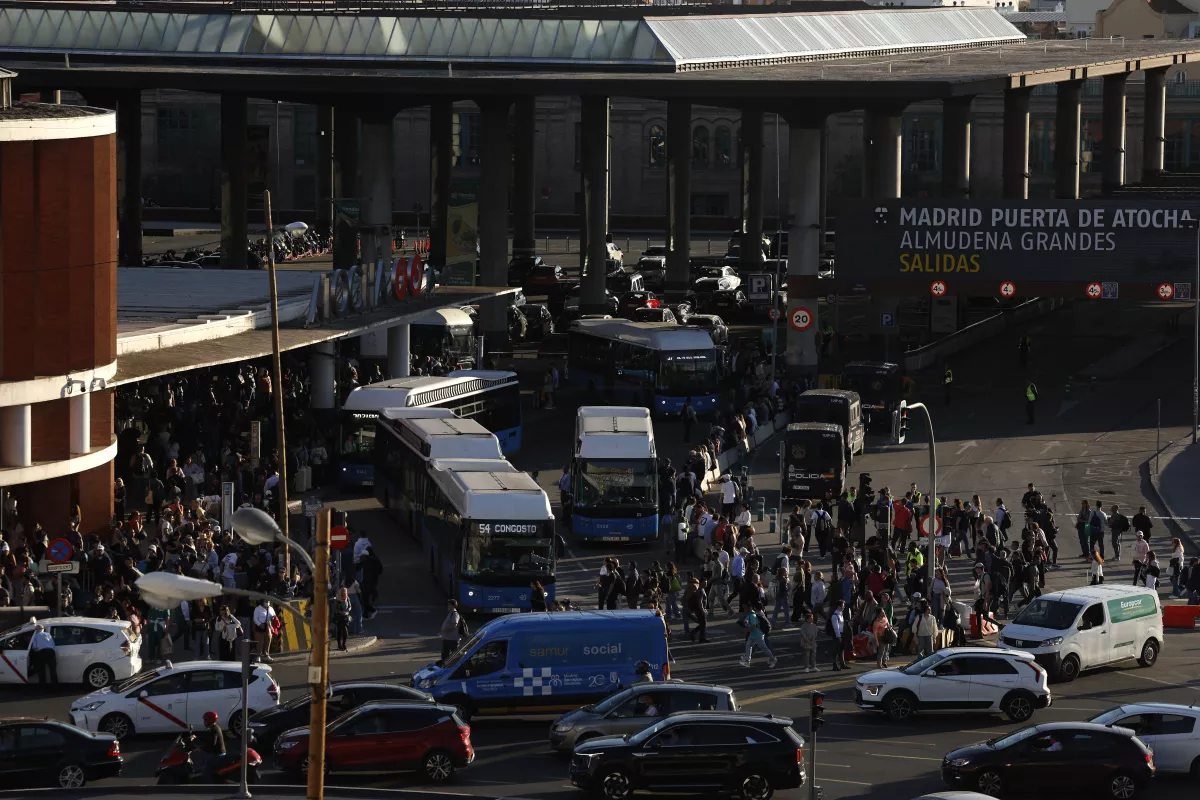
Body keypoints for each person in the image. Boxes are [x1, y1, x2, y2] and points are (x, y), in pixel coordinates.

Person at [739, 604, 777, 668]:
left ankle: (772, 658)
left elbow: (754, 626)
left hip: (758, 635)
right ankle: (747, 661)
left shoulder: (752, 615)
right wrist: (746, 624)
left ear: (749, 608)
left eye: (745, 607)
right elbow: (749, 623)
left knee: (763, 648)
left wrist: (745, 630)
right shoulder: (751, 614)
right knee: (749, 645)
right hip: (753, 634)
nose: (743, 609)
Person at [193, 710, 227, 781]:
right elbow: (208, 738)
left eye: (205, 720)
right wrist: (197, 738)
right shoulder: (214, 727)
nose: (204, 722)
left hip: (217, 754)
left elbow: (212, 744)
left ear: (209, 720)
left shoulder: (214, 730)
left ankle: (209, 785)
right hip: (217, 752)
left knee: (206, 771)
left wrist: (200, 749)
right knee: (204, 761)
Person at [252, 598, 276, 662]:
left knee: (268, 641)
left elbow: (274, 616)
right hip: (260, 627)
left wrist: (273, 618)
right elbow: (255, 618)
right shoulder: (257, 609)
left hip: (268, 627)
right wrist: (260, 624)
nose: (267, 602)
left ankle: (266, 655)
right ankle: (258, 656)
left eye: (268, 601)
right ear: (262, 601)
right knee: (260, 642)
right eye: (266, 601)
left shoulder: (271, 608)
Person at [334, 586, 352, 651]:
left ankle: (344, 644)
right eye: (343, 595)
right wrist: (340, 612)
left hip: (345, 617)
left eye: (345, 594)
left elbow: (350, 606)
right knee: (339, 631)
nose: (344, 596)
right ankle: (339, 645)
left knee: (345, 631)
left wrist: (347, 611)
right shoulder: (337, 600)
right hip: (339, 617)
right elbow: (335, 609)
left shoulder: (347, 598)